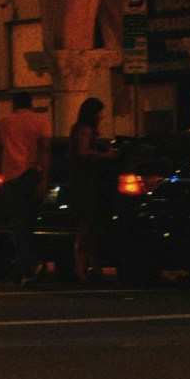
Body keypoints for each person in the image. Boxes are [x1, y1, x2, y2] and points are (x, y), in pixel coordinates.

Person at [0, 91, 51, 286]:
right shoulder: (40, 121)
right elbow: (45, 149)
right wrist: (44, 179)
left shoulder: (4, 122)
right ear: (31, 104)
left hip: (11, 177)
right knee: (29, 223)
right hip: (32, 175)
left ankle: (25, 268)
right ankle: (28, 267)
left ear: (14, 104)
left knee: (18, 225)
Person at [61, 97, 109, 283]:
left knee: (89, 227)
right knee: (86, 227)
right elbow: (82, 152)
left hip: (82, 182)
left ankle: (93, 266)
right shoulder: (85, 130)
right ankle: (81, 268)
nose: (101, 116)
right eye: (99, 112)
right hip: (84, 183)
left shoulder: (78, 129)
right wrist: (105, 156)